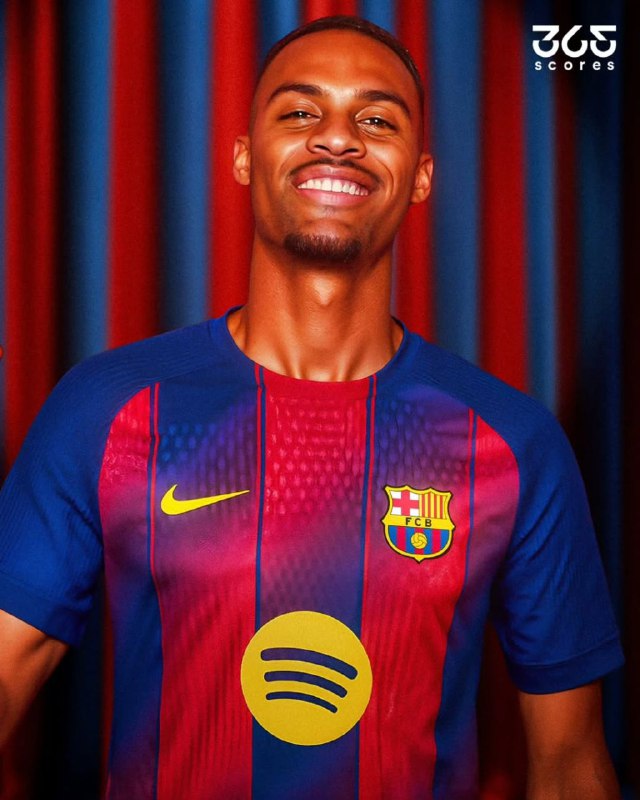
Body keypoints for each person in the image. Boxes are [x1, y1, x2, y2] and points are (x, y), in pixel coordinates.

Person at [0, 15, 623, 799]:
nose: (337, 138)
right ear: (243, 156)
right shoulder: (109, 408)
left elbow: (569, 766)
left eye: (377, 120)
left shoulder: (514, 441)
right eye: (300, 112)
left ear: (421, 176)